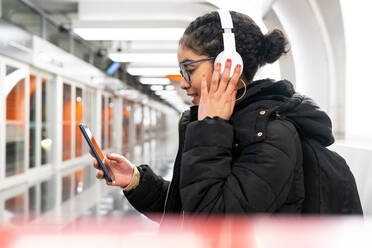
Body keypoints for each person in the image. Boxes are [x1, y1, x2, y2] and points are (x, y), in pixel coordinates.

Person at [91, 10, 334, 223]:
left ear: (227, 64)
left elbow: (210, 220)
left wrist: (211, 126)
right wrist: (135, 180)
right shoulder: (226, 124)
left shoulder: (272, 135)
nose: (183, 84)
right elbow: (189, 205)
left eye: (189, 69)